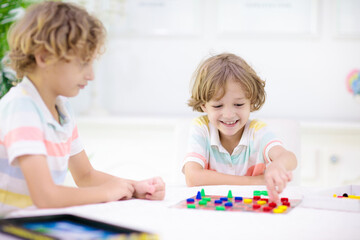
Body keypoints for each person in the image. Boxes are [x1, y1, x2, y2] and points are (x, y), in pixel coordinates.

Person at [0, 1, 165, 217]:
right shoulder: (22, 108)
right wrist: (106, 193)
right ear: (44, 57)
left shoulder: (62, 110)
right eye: (83, 63)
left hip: (38, 221)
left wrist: (134, 187)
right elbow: (46, 197)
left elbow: (85, 175)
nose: (91, 75)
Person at [182, 53, 297, 202]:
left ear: (252, 101)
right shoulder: (202, 128)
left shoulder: (257, 131)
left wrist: (278, 165)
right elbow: (192, 177)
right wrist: (259, 182)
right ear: (204, 105)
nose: (229, 115)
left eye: (239, 104)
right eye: (218, 105)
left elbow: (289, 158)